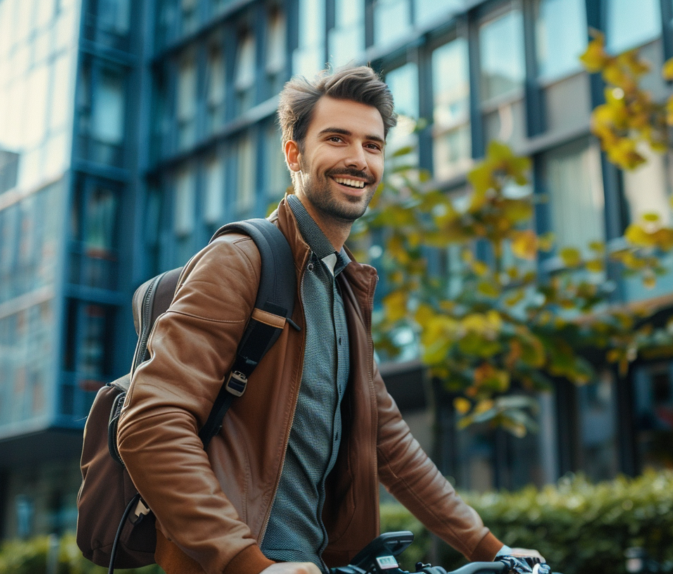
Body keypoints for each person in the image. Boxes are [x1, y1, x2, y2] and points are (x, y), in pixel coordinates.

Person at [116, 65, 542, 574]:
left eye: (373, 145)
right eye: (337, 139)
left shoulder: (344, 286)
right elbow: (150, 422)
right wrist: (247, 562)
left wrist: (491, 550)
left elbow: (390, 443)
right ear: (294, 153)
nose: (358, 160)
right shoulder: (241, 260)